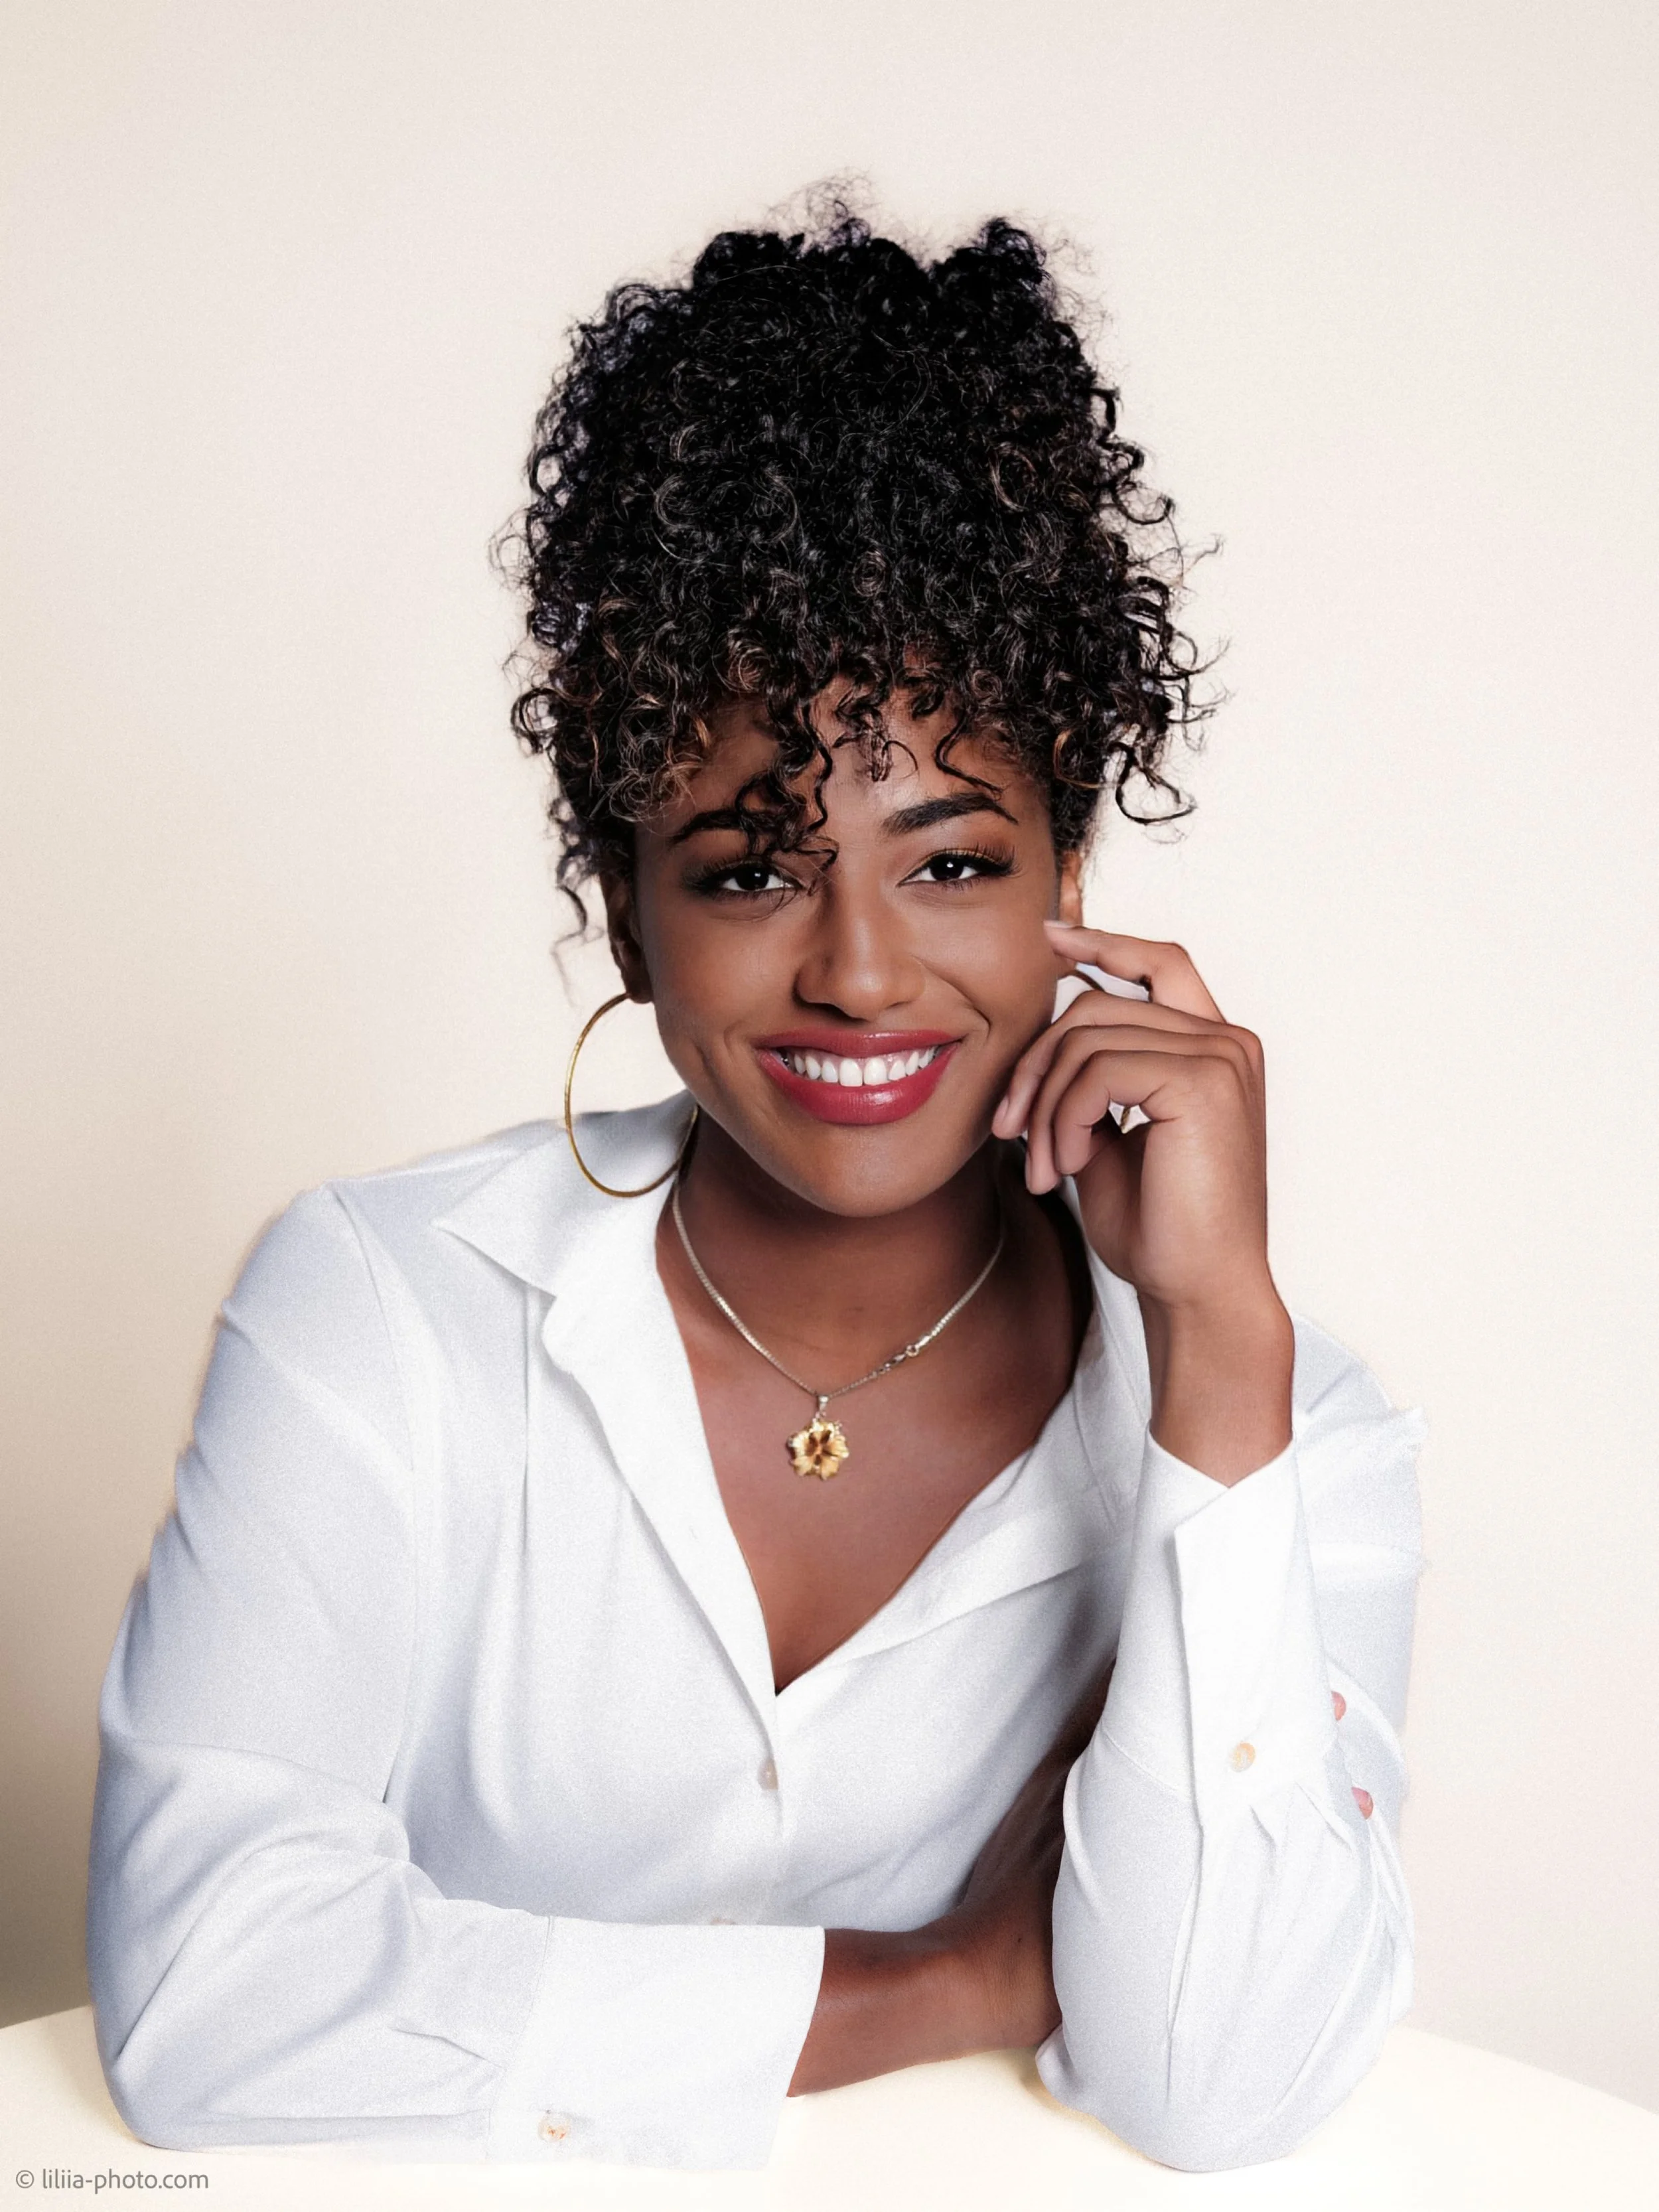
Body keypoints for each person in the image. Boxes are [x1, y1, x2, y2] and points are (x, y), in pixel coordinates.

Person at [87, 211, 1423, 2172]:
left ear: (1075, 865)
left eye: (953, 861)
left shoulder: (1294, 1441)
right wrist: (945, 1977)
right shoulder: (380, 1307)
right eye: (743, 867)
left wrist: (1215, 1351)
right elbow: (208, 1998)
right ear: (623, 912)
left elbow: (1215, 2085)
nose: (860, 971)